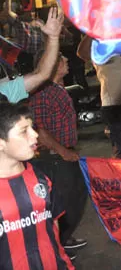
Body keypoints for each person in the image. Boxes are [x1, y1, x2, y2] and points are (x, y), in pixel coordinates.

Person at [0, 101, 96, 270]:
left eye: (33, 128)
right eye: (24, 131)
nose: (35, 135)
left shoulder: (40, 177)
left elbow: (54, 234)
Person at [29, 53, 89, 255]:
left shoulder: (57, 90)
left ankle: (63, 239)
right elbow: (39, 130)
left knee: (74, 197)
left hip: (62, 154)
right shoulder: (44, 93)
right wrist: (62, 151)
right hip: (54, 158)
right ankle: (57, 246)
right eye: (63, 61)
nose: (67, 63)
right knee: (64, 201)